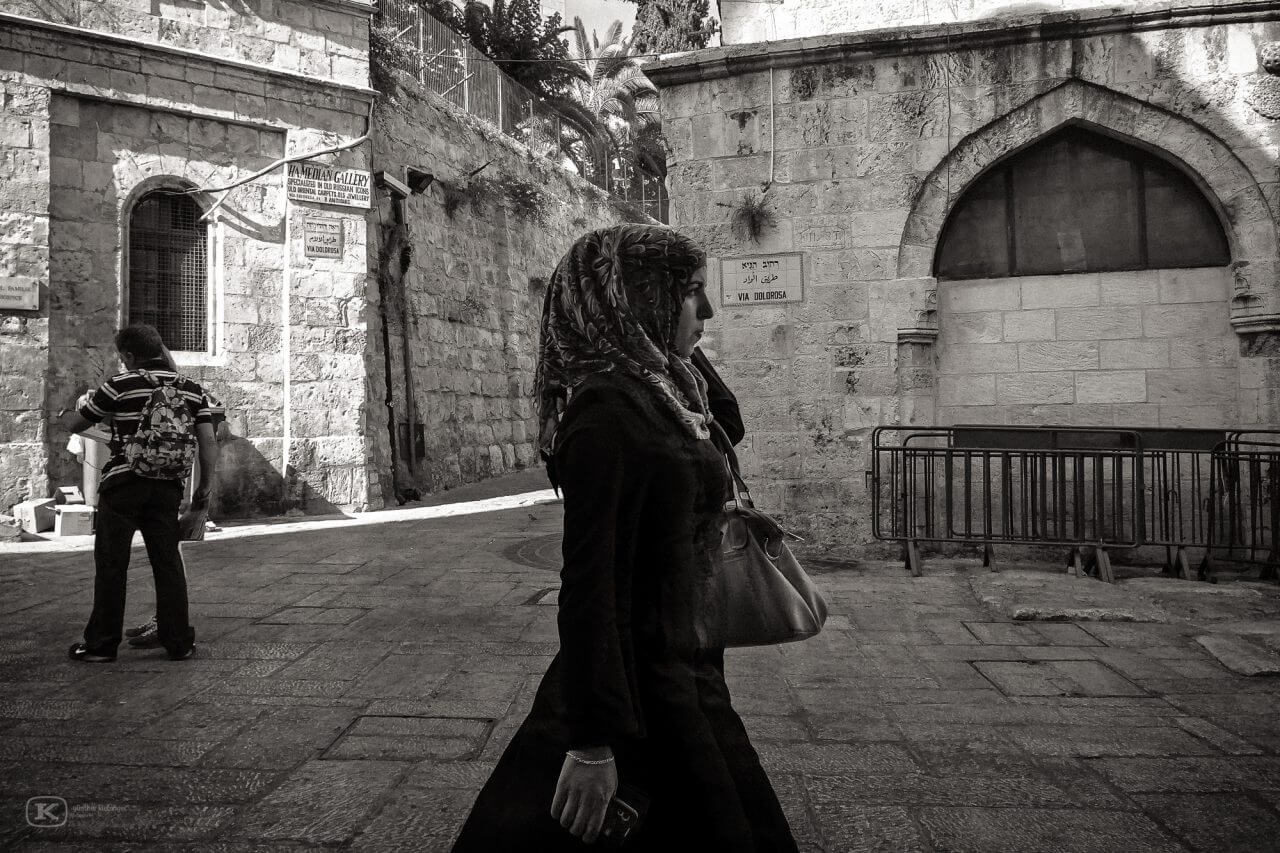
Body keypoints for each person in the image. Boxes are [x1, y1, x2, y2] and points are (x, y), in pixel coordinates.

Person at [451, 225, 796, 851]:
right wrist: (590, 744)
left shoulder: (661, 393)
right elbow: (590, 588)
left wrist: (659, 339)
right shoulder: (607, 416)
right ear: (642, 298)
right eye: (691, 293)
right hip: (639, 685)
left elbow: (728, 422)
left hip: (687, 666)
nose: (708, 311)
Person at [60, 324, 216, 662]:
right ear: (159, 349)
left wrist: (71, 411)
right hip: (167, 487)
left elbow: (78, 424)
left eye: (123, 357)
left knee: (112, 563)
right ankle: (179, 642)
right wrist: (203, 492)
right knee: (168, 562)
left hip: (123, 483)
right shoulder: (191, 390)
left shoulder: (119, 385)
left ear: (130, 356)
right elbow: (208, 443)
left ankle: (101, 645)